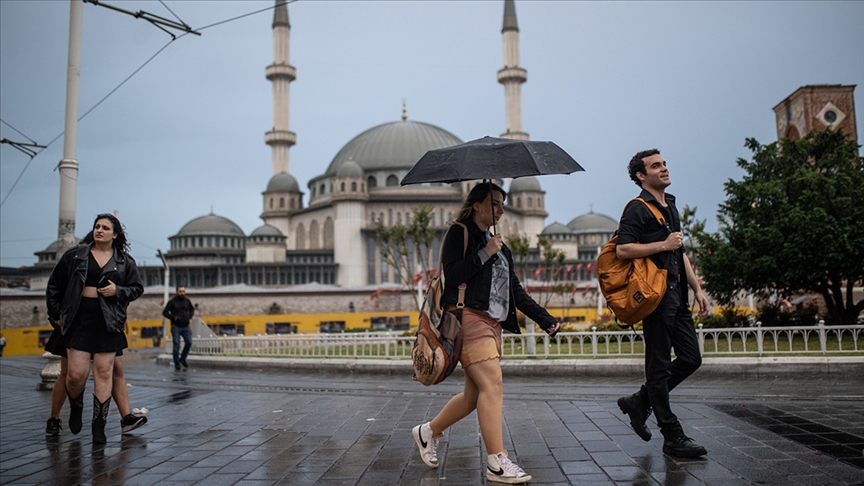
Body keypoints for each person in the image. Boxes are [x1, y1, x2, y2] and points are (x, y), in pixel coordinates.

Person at [411, 183, 561, 484]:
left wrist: (545, 319)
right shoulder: (460, 232)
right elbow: (452, 275)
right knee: (493, 383)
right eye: (494, 204)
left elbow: (515, 290)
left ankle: (428, 431)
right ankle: (497, 462)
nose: (501, 210)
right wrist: (483, 252)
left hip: (491, 322)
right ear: (477, 205)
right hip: (467, 318)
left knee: (473, 394)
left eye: (502, 204)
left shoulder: (500, 245)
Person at [614, 149, 710, 458]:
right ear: (642, 175)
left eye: (664, 163)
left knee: (691, 358)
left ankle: (639, 402)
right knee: (658, 368)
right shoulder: (636, 209)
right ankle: (672, 435)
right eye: (656, 166)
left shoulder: (670, 205)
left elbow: (678, 251)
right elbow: (623, 250)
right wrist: (662, 244)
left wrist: (696, 288)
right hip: (654, 297)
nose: (664, 169)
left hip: (677, 295)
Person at [46, 214, 144, 443]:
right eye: (97, 226)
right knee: (75, 375)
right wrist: (55, 315)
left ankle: (98, 425)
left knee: (103, 372)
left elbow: (136, 288)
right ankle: (76, 403)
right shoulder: (76, 255)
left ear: (115, 234)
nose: (100, 230)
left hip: (107, 322)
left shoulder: (124, 261)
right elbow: (55, 285)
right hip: (78, 321)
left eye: (105, 227)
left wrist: (117, 291)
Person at [43, 328, 148, 437]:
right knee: (70, 374)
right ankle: (54, 417)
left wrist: (120, 315)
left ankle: (126, 417)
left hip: (107, 322)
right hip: (77, 323)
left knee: (115, 370)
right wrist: (55, 315)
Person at [163, 285, 194, 371]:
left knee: (189, 342)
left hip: (186, 325)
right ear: (177, 292)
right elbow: (165, 312)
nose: (182, 293)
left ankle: (183, 358)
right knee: (176, 344)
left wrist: (189, 316)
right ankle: (176, 362)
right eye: (180, 291)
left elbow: (192, 309)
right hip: (176, 326)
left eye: (183, 291)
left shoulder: (187, 301)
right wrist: (174, 318)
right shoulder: (172, 302)